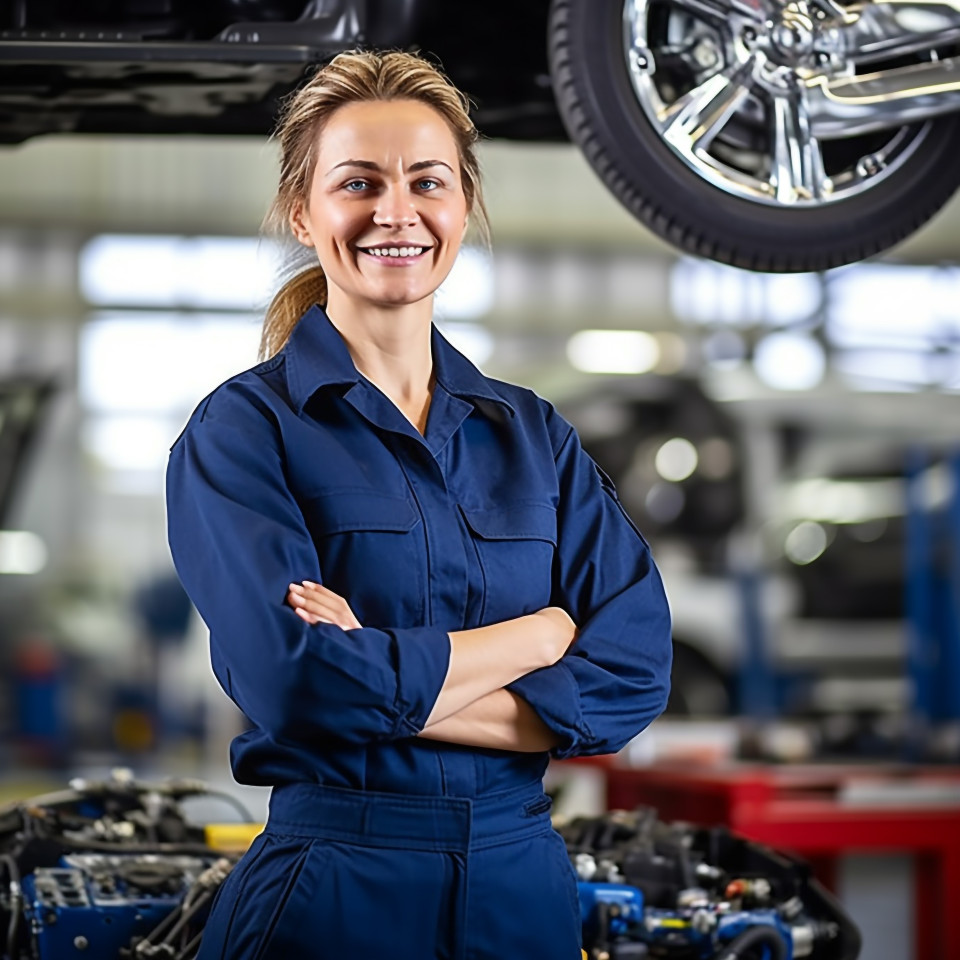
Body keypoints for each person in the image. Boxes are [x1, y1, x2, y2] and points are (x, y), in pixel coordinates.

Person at [165, 48, 672, 960]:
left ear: (462, 205)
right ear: (303, 211)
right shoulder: (242, 431)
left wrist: (373, 668)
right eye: (357, 183)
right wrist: (540, 636)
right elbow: (296, 685)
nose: (395, 211)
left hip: (523, 889)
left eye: (426, 181)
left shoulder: (533, 435)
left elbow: (634, 676)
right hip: (331, 887)